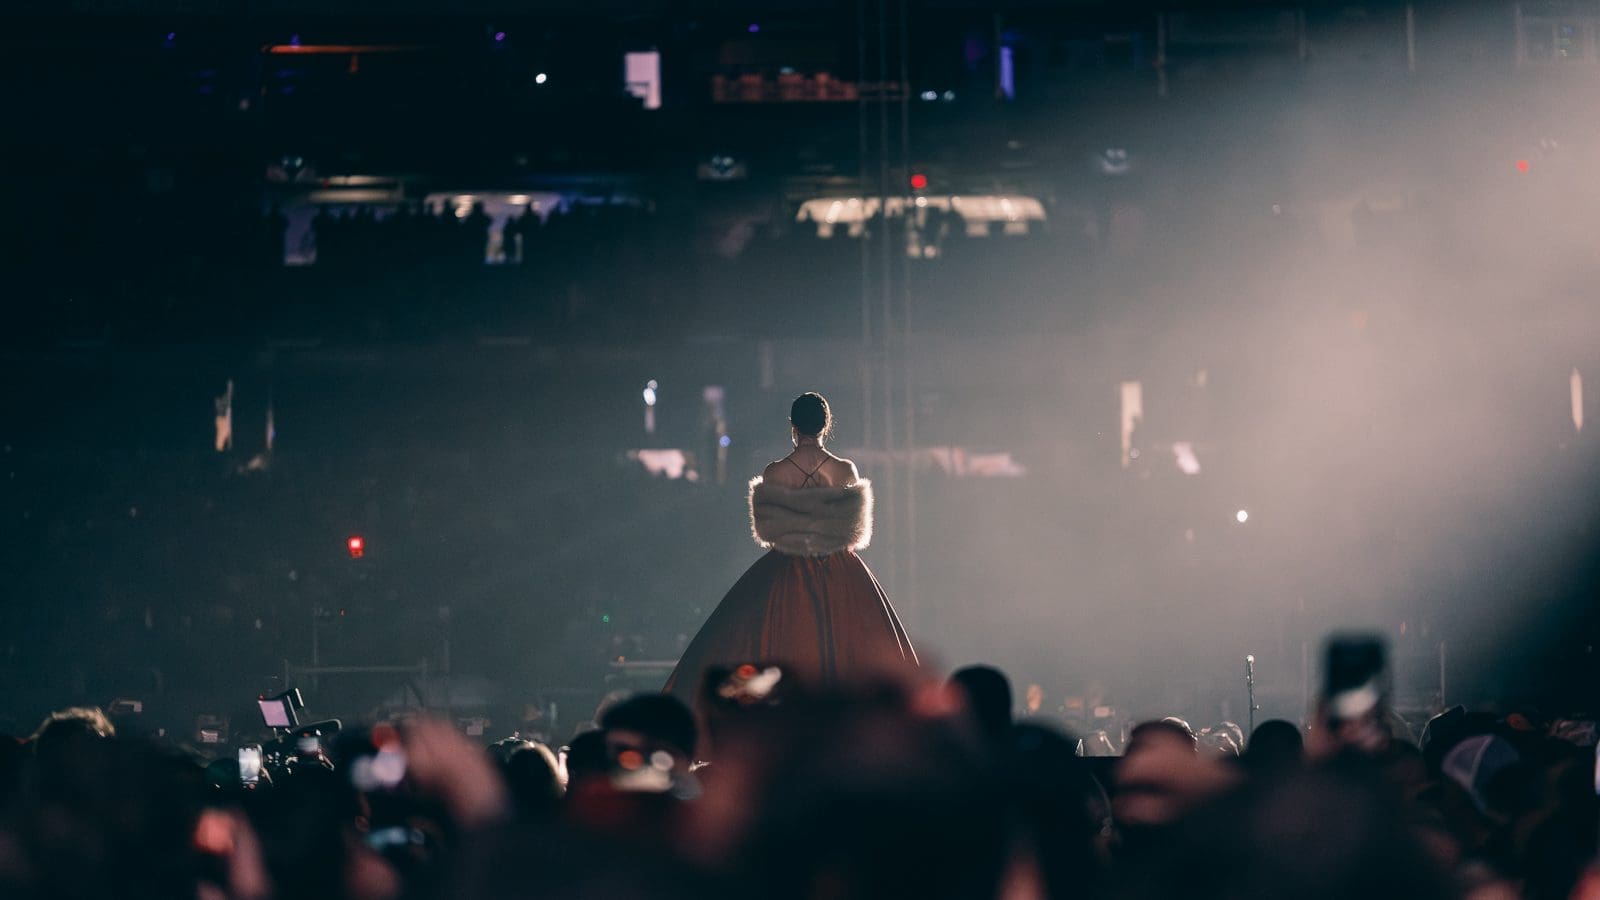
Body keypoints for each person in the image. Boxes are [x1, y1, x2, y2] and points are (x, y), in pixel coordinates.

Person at [664, 392, 916, 711]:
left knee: (769, 644)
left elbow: (771, 536)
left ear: (793, 426)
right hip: (840, 569)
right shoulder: (844, 469)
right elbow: (852, 534)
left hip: (787, 568)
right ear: (826, 425)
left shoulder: (775, 472)